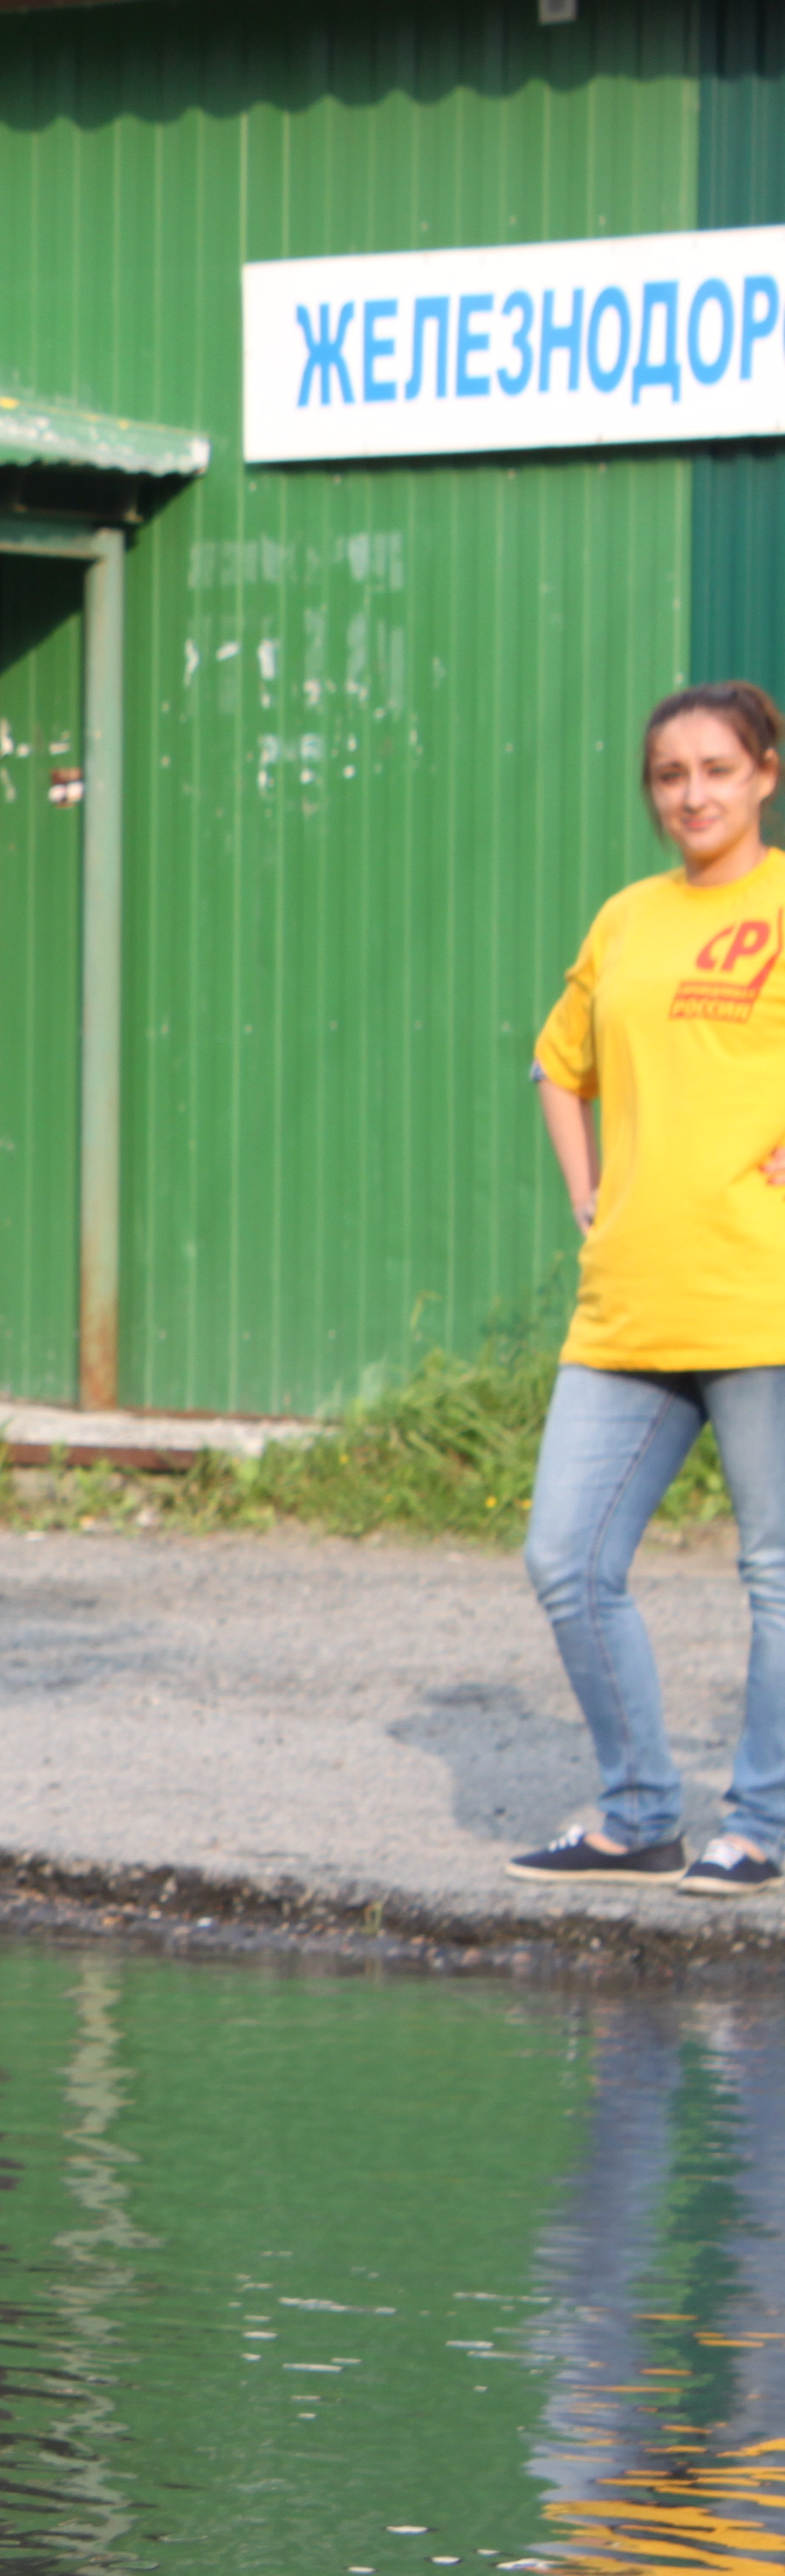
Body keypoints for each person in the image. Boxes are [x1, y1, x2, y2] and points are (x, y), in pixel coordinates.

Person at [511, 679, 785, 1895]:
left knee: (776, 1573)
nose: (693, 795)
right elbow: (554, 1064)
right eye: (671, 775)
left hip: (762, 1294)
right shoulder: (628, 917)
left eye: (718, 769)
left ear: (765, 775)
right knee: (565, 1558)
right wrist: (589, 1194)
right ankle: (639, 1811)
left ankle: (765, 1825)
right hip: (627, 1301)